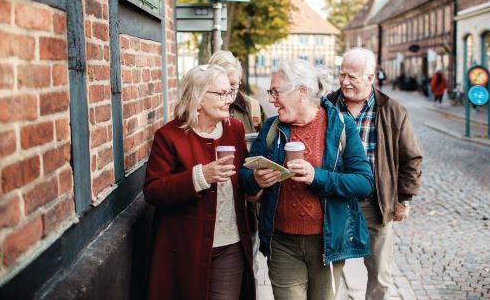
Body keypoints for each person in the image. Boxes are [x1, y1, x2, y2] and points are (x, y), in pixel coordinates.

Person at [239, 59, 374, 300]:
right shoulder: (272, 128)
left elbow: (363, 182)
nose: (270, 99)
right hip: (282, 244)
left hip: (328, 244)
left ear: (301, 91)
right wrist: (257, 178)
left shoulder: (340, 126)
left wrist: (316, 176)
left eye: (275, 92)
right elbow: (245, 175)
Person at [143, 64, 255, 300]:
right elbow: (153, 191)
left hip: (230, 244)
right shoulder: (169, 136)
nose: (229, 100)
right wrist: (200, 176)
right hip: (184, 248)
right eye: (222, 94)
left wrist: (257, 179)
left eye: (230, 93)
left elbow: (242, 178)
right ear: (199, 98)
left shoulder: (234, 129)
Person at [328, 47, 422, 300]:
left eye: (353, 77)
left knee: (380, 275)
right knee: (329, 273)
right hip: (334, 201)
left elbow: (411, 158)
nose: (345, 82)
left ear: (370, 77)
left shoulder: (393, 110)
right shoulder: (326, 106)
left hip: (374, 203)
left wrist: (404, 199)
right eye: (342, 74)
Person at [208, 50, 266, 293]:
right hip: (214, 199)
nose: (231, 93)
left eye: (236, 85)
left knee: (246, 265)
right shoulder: (199, 110)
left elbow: (265, 147)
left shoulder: (251, 108)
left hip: (247, 200)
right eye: (226, 87)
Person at [208, 50, 266, 134]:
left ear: (239, 81)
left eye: (232, 84)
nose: (227, 90)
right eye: (223, 83)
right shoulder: (202, 109)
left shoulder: (252, 107)